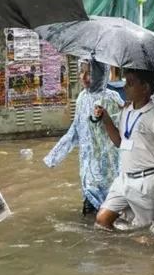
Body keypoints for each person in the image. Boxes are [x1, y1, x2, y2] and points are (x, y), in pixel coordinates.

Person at [94, 69, 154, 230]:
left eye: (130, 83)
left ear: (145, 88)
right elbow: (119, 142)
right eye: (126, 82)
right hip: (124, 179)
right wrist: (106, 119)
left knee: (151, 234)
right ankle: (121, 253)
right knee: (102, 220)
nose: (125, 87)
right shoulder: (126, 111)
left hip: (148, 181)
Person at [44, 60, 123, 216]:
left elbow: (123, 131)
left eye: (90, 73)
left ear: (102, 74)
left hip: (108, 170)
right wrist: (54, 156)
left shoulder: (112, 98)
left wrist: (105, 116)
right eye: (82, 72)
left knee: (109, 215)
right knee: (89, 214)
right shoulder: (81, 98)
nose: (84, 77)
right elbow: (75, 130)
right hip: (88, 168)